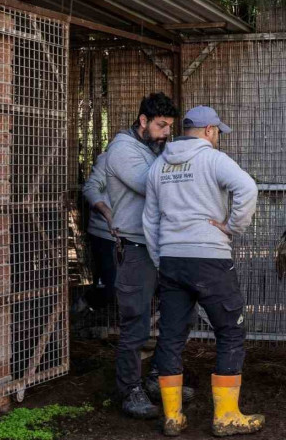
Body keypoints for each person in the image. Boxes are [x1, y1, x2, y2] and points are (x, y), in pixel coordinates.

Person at [143, 106, 263, 436]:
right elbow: (247, 189)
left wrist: (161, 258)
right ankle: (225, 416)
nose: (218, 137)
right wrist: (232, 228)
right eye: (218, 132)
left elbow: (150, 220)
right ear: (209, 130)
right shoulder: (213, 159)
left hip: (171, 260)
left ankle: (172, 417)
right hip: (209, 259)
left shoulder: (158, 166)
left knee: (170, 335)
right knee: (230, 331)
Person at [104, 92, 180, 419]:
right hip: (136, 247)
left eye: (170, 127)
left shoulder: (154, 149)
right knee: (135, 323)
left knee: (180, 316)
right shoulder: (122, 150)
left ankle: (157, 379)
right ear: (143, 121)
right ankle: (130, 390)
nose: (166, 133)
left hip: (164, 246)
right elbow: (150, 185)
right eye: (161, 126)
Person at [81, 151, 116, 312]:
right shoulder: (109, 157)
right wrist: (107, 213)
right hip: (104, 233)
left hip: (134, 234)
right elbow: (90, 187)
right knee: (107, 288)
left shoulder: (150, 156)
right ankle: (83, 305)